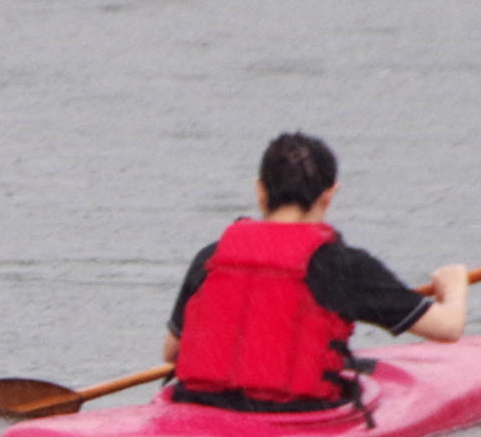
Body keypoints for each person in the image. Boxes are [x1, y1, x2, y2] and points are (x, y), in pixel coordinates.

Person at [163, 132, 467, 412]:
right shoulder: (344, 266)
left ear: (260, 190)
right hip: (293, 419)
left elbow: (172, 351)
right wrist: (453, 286)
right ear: (329, 194)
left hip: (199, 407)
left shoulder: (213, 256)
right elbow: (447, 329)